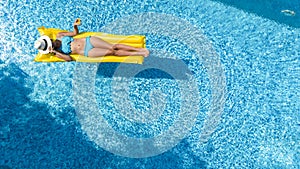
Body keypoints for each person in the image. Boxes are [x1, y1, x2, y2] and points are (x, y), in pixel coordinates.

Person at [34, 19, 149, 61]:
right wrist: (54, 52)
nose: (50, 45)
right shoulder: (56, 53)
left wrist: (75, 26)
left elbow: (74, 34)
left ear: (49, 39)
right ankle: (139, 53)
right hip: (86, 52)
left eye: (48, 43)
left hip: (88, 41)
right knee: (113, 52)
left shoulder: (60, 35)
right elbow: (69, 59)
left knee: (113, 46)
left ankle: (139, 50)